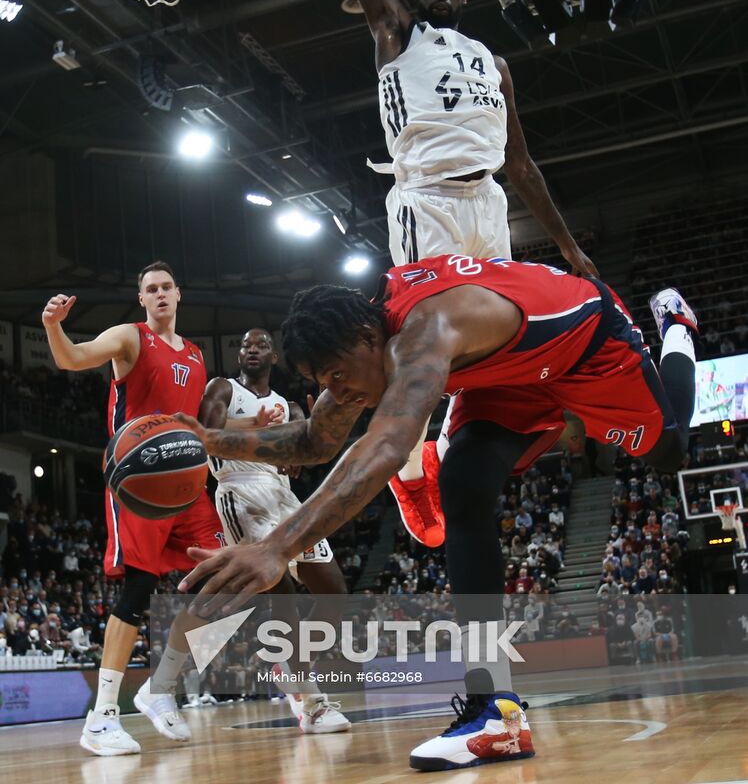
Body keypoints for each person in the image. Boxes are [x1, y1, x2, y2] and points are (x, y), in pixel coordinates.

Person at [178, 257, 698, 771]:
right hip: (507, 378)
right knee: (463, 484)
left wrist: (277, 546)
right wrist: (210, 439)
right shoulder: (365, 340)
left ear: (365, 336)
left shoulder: (424, 332)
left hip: (585, 340)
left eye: (338, 375)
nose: (339, 392)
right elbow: (316, 440)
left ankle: (676, 327)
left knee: (668, 450)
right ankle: (496, 714)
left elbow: (384, 447)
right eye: (325, 381)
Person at [293, 0, 597, 547]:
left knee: (493, 342)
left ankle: (454, 451)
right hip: (425, 199)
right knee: (425, 338)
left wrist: (568, 248)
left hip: (487, 204)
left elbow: (521, 164)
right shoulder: (395, 32)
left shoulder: (495, 64)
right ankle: (406, 478)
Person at [42, 261, 222, 757]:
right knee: (139, 588)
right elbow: (73, 359)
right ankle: (100, 719)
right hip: (139, 484)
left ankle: (159, 686)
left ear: (179, 294)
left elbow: (204, 425)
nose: (160, 294)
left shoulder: (196, 354)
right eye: (151, 289)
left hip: (189, 485)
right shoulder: (129, 337)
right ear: (141, 298)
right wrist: (53, 327)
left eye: (167, 286)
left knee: (231, 582)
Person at [198, 327, 350, 734]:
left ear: (274, 356)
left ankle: (293, 662)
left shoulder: (287, 405)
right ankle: (312, 701)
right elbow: (208, 439)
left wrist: (318, 425)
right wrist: (262, 429)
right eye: (245, 344)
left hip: (284, 498)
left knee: (335, 593)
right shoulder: (223, 388)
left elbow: (306, 451)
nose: (251, 349)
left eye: (260, 345)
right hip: (240, 491)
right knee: (282, 595)